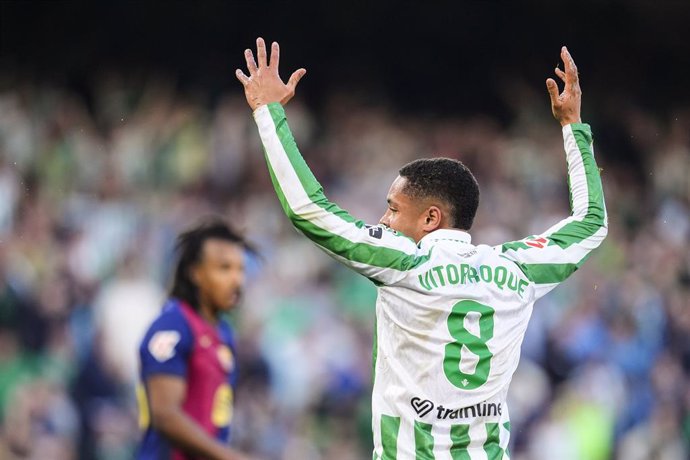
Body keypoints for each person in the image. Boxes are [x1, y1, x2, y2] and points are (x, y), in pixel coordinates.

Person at [236, 38, 607, 458]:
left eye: (393, 209)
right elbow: (590, 224)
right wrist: (572, 125)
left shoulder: (404, 264)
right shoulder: (518, 270)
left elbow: (307, 208)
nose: (383, 220)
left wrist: (269, 113)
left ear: (431, 218)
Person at [136, 219, 252, 460]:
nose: (236, 280)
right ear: (195, 273)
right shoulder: (172, 327)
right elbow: (165, 415)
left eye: (240, 269)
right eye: (224, 268)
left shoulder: (223, 333)